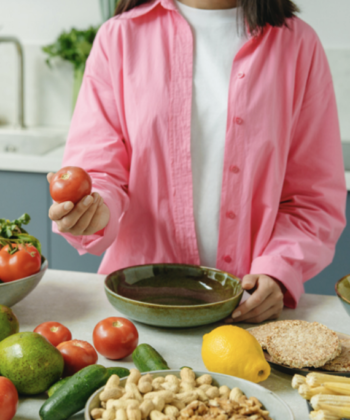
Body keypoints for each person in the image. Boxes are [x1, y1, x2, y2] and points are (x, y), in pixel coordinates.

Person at [47, 0, 347, 323]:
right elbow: (99, 173)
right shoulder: (119, 38)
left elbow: (312, 199)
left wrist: (278, 270)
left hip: (249, 317)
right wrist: (92, 211)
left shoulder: (299, 45)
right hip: (139, 316)